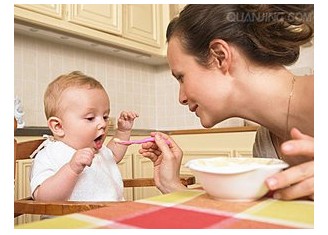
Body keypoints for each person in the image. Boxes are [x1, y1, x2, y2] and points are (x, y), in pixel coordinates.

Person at [139, 4, 314, 200]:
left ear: (220, 56)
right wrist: (170, 184)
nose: (181, 98)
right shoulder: (265, 142)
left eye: (181, 77)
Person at [30, 71, 139, 202]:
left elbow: (114, 155)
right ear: (58, 126)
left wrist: (123, 131)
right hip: (72, 221)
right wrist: (71, 169)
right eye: (90, 118)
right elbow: (43, 198)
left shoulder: (99, 150)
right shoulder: (50, 155)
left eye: (105, 116)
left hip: (111, 216)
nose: (103, 124)